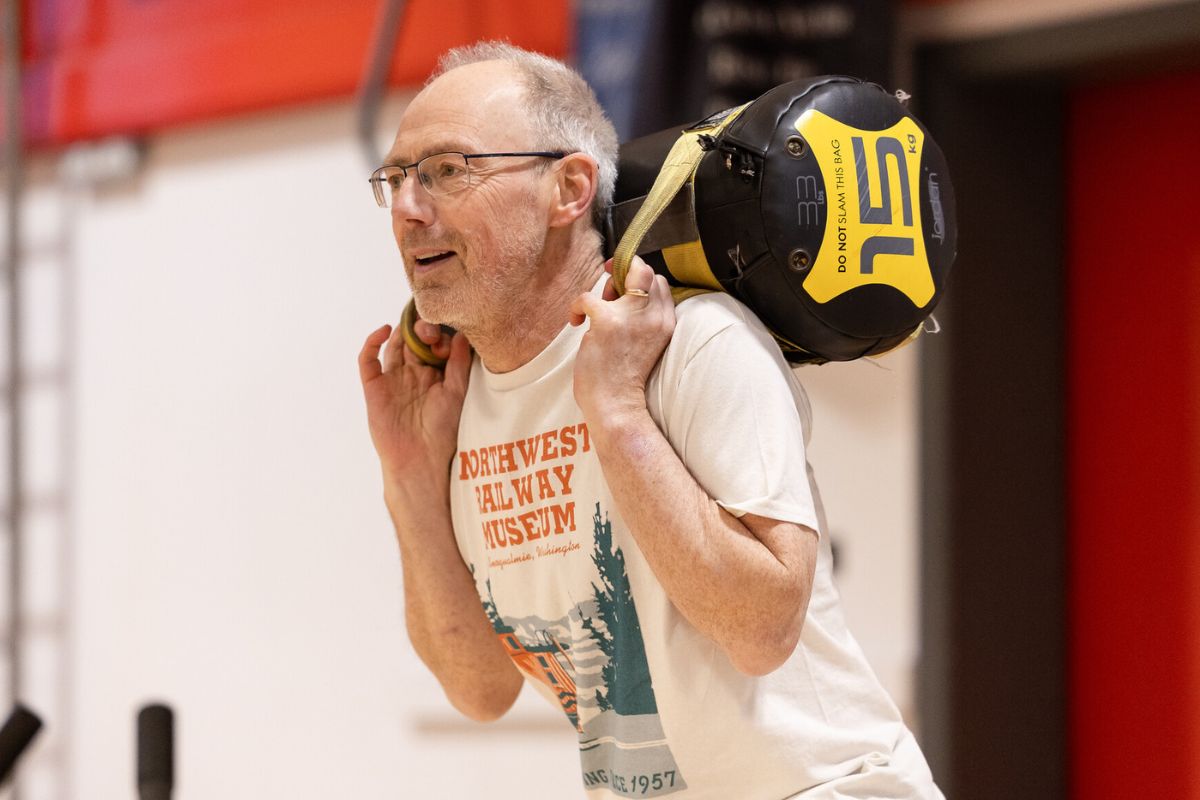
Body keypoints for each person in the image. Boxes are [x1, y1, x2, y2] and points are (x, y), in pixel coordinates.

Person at [358, 41, 943, 799]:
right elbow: (479, 688)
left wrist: (618, 413)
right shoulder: (459, 403)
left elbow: (762, 630)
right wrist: (408, 476)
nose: (408, 208)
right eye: (397, 179)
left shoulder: (699, 342)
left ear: (569, 188)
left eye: (447, 170)